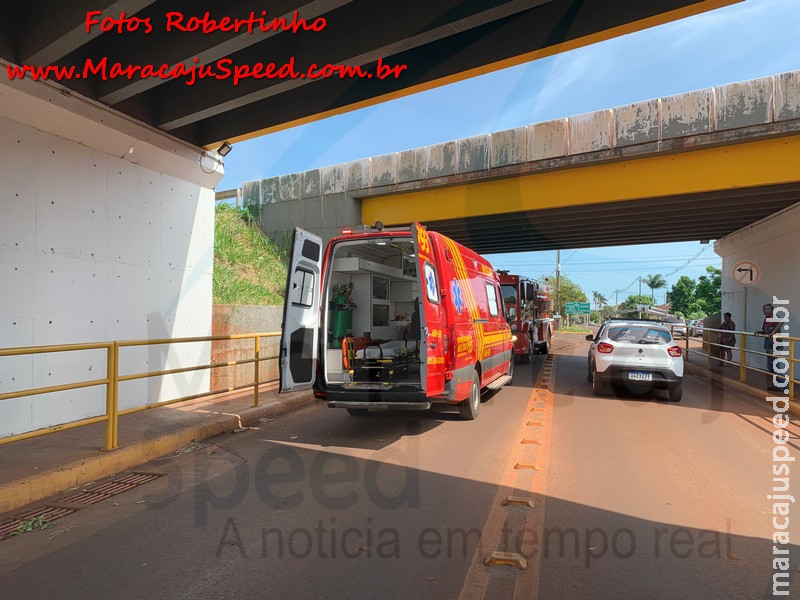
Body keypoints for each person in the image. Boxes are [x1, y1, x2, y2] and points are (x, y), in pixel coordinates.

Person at [754, 303, 782, 392]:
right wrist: (759, 331)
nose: (766, 310)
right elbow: (765, 331)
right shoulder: (766, 318)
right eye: (764, 309)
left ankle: (782, 384)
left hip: (775, 344)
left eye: (768, 309)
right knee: (771, 366)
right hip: (768, 344)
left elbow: (782, 321)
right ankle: (778, 383)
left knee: (776, 365)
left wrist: (773, 332)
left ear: (772, 310)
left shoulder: (775, 316)